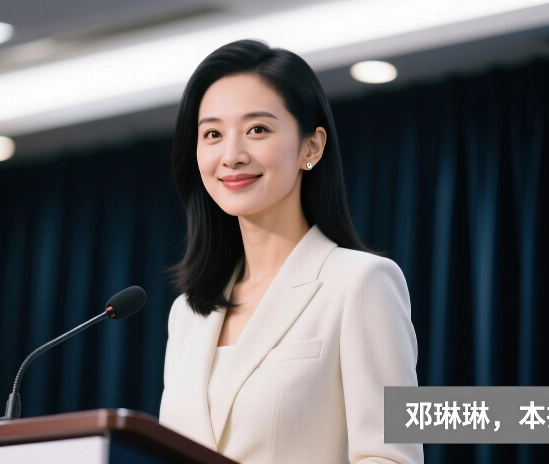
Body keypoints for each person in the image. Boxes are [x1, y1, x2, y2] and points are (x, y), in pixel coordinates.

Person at [158, 38, 423, 464]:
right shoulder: (187, 314)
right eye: (212, 134)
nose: (231, 155)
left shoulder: (361, 282)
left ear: (311, 147)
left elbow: (391, 456)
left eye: (257, 130)